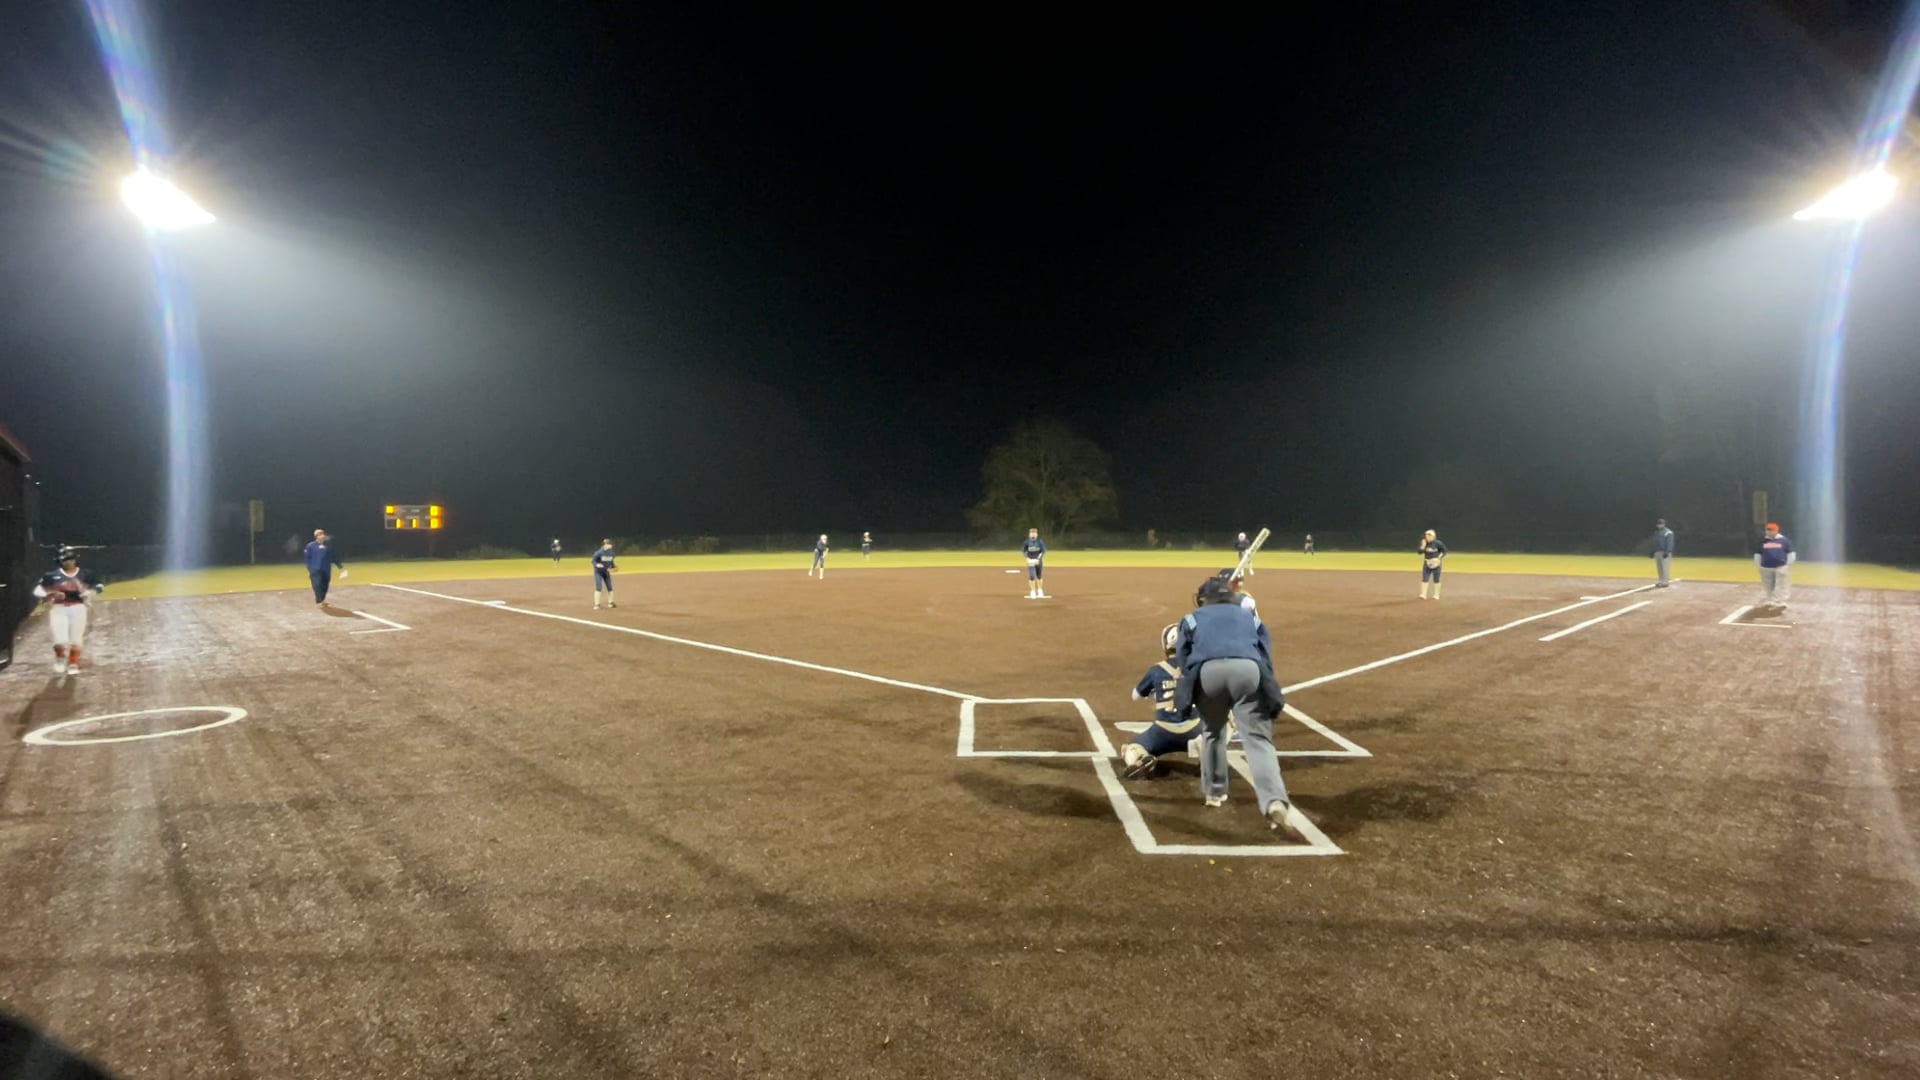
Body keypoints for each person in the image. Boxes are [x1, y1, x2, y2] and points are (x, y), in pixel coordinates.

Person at [1172, 576, 1307, 841]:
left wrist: (1192, 687)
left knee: (1212, 733)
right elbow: (1264, 656)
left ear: (1203, 599)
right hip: (1248, 671)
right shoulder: (1249, 617)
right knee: (1258, 740)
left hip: (1208, 674)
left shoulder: (1191, 619)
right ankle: (1274, 802)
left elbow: (1183, 659)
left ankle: (1214, 792)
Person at [1120, 623, 1203, 780]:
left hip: (1162, 732)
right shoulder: (1199, 668)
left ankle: (1140, 760)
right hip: (1195, 731)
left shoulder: (1156, 670)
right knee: (1224, 721)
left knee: (1132, 747)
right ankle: (1209, 757)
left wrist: (1155, 691)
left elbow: (1135, 696)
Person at [33, 547, 103, 675]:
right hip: (58, 608)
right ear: (60, 561)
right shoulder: (51, 575)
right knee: (60, 640)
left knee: (76, 639)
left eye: (71, 559)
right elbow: (38, 590)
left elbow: (99, 586)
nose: (68, 562)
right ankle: (60, 658)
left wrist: (89, 592)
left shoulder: (85, 574)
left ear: (75, 559)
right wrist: (50, 594)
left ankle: (73, 662)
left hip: (78, 607)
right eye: (65, 559)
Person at [1755, 522, 1795, 608]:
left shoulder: (1784, 541)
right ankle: (1770, 599)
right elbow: (1758, 554)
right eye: (1768, 530)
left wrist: (1786, 564)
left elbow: (1791, 554)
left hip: (1780, 566)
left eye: (1771, 530)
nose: (1769, 532)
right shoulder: (1762, 541)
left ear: (1776, 531)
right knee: (1768, 584)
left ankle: (1781, 601)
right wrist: (1759, 565)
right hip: (1765, 567)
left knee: (1782, 584)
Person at [304, 529, 347, 607]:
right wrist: (309, 568)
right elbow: (307, 558)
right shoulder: (310, 545)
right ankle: (319, 601)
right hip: (315, 569)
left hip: (326, 569)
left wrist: (340, 567)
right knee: (317, 584)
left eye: (323, 534)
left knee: (325, 585)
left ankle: (322, 599)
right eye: (320, 534)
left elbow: (333, 556)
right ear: (316, 536)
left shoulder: (328, 545)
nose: (322, 535)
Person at [1418, 529, 1447, 599]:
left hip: (1436, 564)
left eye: (1429, 535)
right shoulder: (1424, 543)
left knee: (1436, 579)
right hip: (1427, 563)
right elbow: (1419, 552)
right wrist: (1423, 546)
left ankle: (1436, 595)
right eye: (1426, 535)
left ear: (1433, 536)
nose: (1427, 537)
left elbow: (1444, 551)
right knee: (1425, 578)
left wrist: (1439, 558)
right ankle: (1423, 594)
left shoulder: (1438, 543)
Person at [1021, 528, 1048, 599]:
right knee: (1032, 576)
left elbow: (1043, 551)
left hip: (1038, 561)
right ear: (1029, 534)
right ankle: (1032, 591)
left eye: (1034, 533)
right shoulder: (1027, 542)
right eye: (1032, 533)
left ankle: (1040, 590)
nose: (1033, 534)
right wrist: (1027, 558)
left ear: (1037, 534)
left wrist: (1038, 558)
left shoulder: (1040, 542)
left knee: (1039, 576)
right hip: (1030, 561)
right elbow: (1023, 551)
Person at [592, 538, 618, 608]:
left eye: (610, 544)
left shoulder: (612, 553)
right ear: (605, 545)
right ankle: (597, 604)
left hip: (606, 572)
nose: (610, 545)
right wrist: (597, 565)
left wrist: (614, 567)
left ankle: (610, 603)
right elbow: (593, 561)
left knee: (610, 587)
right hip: (598, 572)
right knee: (599, 587)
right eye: (609, 544)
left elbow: (611, 562)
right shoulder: (598, 553)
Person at [1650, 519, 1675, 587]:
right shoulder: (1656, 532)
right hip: (1657, 552)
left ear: (1664, 524)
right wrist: (1653, 551)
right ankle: (1661, 581)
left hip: (1665, 552)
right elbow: (1655, 543)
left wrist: (1667, 551)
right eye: (1658, 524)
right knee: (1659, 568)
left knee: (1665, 568)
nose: (1659, 525)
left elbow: (1670, 543)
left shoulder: (1668, 532)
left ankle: (1665, 582)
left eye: (1661, 524)